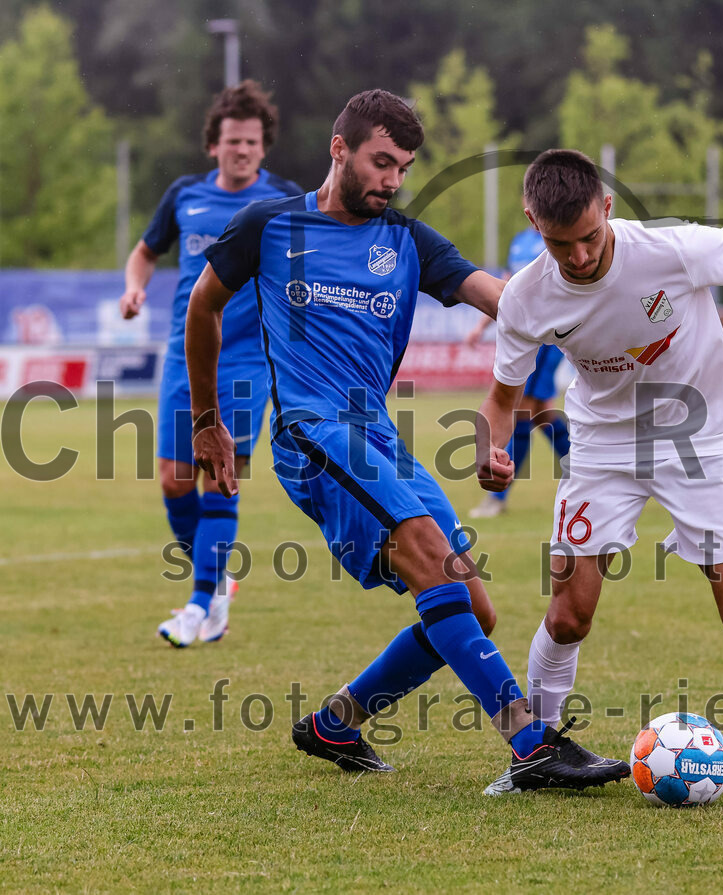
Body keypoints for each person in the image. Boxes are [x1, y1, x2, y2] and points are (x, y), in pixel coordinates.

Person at [186, 91, 628, 795]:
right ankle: (530, 742)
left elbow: (503, 298)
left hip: (378, 440)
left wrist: (599, 298)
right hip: (312, 436)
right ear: (340, 149)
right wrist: (208, 419)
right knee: (430, 555)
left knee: (473, 607)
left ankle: (336, 721)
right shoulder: (270, 223)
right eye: (381, 162)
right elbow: (203, 304)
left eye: (404, 167)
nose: (393, 179)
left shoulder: (406, 240)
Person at [476, 149, 723, 761]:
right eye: (558, 244)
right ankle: (535, 749)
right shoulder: (525, 297)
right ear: (532, 222)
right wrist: (488, 448)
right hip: (602, 445)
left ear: (607, 207)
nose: (577, 257)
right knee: (570, 614)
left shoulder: (670, 248)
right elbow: (501, 398)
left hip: (701, 438)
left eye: (589, 237)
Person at [119, 80, 302, 647]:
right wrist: (134, 290)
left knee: (219, 478)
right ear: (213, 146)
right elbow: (146, 252)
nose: (241, 150)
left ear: (263, 147)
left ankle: (199, 606)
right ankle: (216, 581)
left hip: (247, 358)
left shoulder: (283, 201)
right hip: (183, 353)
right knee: (175, 481)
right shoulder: (185, 195)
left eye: (251, 142)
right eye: (232, 142)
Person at [465, 223, 571, 519]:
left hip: (548, 338)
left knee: (522, 412)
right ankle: (594, 475)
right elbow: (509, 289)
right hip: (527, 335)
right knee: (542, 415)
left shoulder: (559, 235)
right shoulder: (519, 241)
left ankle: (497, 498)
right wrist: (480, 327)